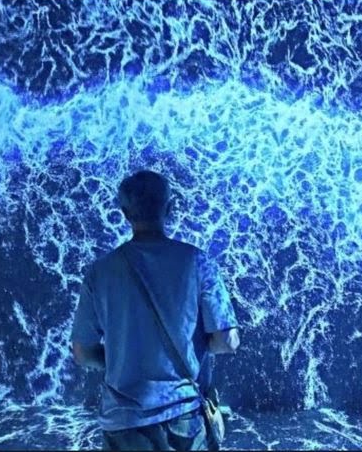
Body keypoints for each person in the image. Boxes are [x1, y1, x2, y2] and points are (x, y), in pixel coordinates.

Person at [71, 170, 240, 451]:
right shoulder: (197, 262)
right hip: (184, 419)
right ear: (169, 208)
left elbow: (82, 353)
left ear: (125, 213)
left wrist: (122, 359)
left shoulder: (99, 272)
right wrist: (195, 347)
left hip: (122, 424)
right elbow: (228, 341)